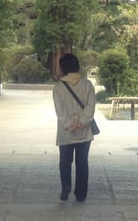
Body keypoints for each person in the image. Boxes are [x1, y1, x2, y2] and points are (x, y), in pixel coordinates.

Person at [52, 52, 96, 202]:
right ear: (77, 66)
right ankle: (81, 193)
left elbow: (60, 110)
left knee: (65, 161)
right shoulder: (87, 84)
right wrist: (82, 122)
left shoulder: (58, 88)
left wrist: (69, 124)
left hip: (66, 132)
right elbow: (90, 107)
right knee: (82, 162)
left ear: (63, 68)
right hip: (84, 131)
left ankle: (65, 186)